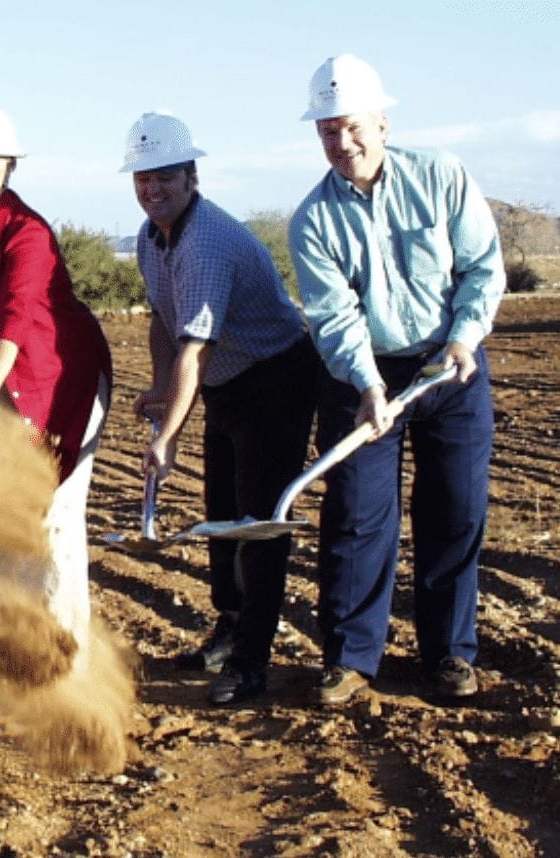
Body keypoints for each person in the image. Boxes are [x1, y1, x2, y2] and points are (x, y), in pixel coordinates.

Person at [289, 54, 505, 704]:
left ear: (380, 122)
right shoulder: (312, 220)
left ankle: (448, 654)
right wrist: (366, 386)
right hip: (362, 378)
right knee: (356, 515)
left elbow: (481, 266)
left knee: (455, 508)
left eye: (351, 126)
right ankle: (351, 659)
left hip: (450, 363)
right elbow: (333, 316)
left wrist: (464, 337)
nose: (341, 142)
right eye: (327, 130)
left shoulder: (439, 176)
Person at [121, 111, 319, 704]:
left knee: (258, 521)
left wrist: (168, 434)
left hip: (276, 376)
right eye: (142, 181)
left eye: (164, 179)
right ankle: (230, 629)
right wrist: (161, 388)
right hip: (228, 384)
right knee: (222, 511)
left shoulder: (206, 241)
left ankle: (253, 662)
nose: (152, 191)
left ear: (191, 177)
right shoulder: (150, 237)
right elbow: (163, 319)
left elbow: (196, 347)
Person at [0, 101, 112, 673]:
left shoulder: (28, 231)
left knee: (52, 516)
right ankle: (11, 649)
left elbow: (17, 315)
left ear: (9, 163)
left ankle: (67, 661)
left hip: (57, 385)